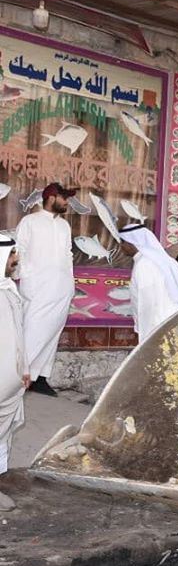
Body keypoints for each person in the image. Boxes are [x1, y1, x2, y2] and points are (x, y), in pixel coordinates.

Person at [15, 182, 76, 397]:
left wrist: (70, 283)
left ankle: (40, 378)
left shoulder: (64, 226)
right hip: (37, 287)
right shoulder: (30, 222)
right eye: (64, 198)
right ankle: (17, 377)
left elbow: (68, 255)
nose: (67, 202)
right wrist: (26, 279)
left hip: (61, 288)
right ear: (51, 198)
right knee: (33, 332)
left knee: (52, 333)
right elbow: (19, 251)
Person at [119, 224, 178, 340]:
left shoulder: (144, 264)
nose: (121, 246)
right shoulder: (164, 260)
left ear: (132, 242)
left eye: (123, 242)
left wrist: (142, 331)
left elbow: (147, 303)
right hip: (172, 322)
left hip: (158, 325)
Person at [0, 237, 29, 508]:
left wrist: (26, 368)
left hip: (11, 382)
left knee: (3, 434)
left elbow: (19, 335)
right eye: (11, 256)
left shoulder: (9, 289)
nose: (15, 261)